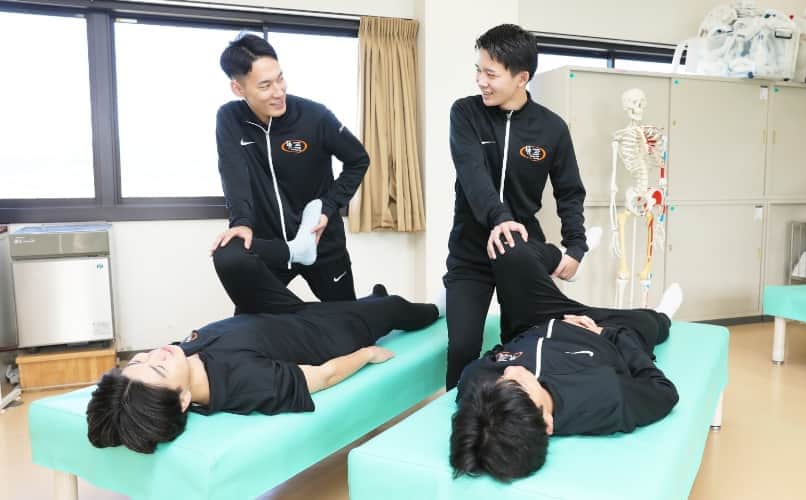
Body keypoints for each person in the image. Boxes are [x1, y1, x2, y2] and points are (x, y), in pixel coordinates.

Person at [86, 239, 440, 454]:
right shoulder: (245, 382)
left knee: (229, 255)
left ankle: (311, 259)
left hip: (274, 315)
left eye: (141, 359)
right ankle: (436, 309)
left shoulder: (180, 360)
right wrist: (367, 354)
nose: (156, 353)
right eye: (158, 367)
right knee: (392, 307)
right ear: (182, 400)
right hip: (324, 332)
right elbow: (324, 376)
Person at [449, 233, 682, 482]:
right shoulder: (605, 397)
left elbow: (494, 358)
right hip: (597, 328)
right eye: (519, 384)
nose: (510, 371)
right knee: (649, 324)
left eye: (500, 382)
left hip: (533, 321)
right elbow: (664, 391)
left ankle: (563, 259)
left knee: (507, 246)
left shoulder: (476, 387)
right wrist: (606, 334)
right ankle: (662, 315)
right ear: (547, 423)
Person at [444, 24, 592, 389]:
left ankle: (513, 414)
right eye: (478, 70)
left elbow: (569, 192)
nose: (480, 81)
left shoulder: (551, 128)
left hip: (521, 252)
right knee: (462, 347)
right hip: (471, 252)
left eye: (490, 74)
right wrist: (499, 218)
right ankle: (458, 413)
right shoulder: (465, 113)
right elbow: (473, 175)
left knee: (523, 344)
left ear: (521, 78)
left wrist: (576, 246)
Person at [211, 33, 369, 303]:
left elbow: (358, 159)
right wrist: (241, 223)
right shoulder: (230, 118)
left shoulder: (315, 116)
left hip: (320, 242)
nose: (278, 91)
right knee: (253, 320)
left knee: (347, 318)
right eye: (265, 85)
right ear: (238, 89)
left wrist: (328, 207)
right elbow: (233, 173)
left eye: (280, 78)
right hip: (273, 248)